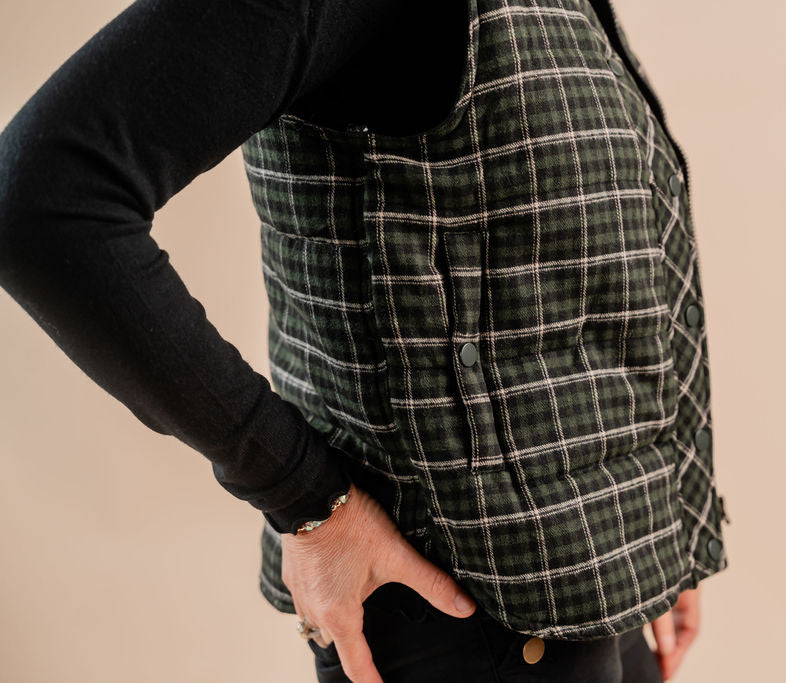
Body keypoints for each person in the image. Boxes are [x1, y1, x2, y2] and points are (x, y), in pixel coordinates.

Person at [0, 0, 729, 681]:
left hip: (602, 583)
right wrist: (302, 493)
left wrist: (664, 529)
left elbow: (598, 264)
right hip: (469, 616)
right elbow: (42, 198)